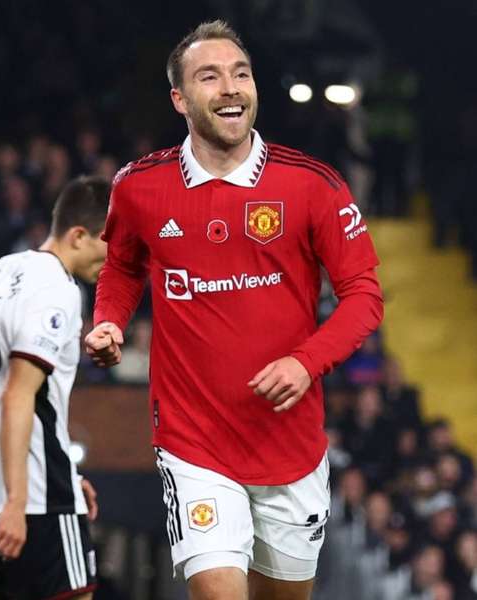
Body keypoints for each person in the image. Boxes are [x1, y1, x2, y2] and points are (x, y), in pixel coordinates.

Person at [84, 21, 384, 600]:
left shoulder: (311, 185)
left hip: (290, 444)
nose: (230, 87)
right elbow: (122, 266)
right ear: (180, 98)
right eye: (210, 76)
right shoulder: (139, 187)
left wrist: (306, 361)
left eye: (240, 74)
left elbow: (364, 295)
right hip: (193, 440)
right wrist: (108, 321)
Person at [0, 176, 110, 599]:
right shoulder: (59, 291)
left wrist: (63, 468)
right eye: (111, 242)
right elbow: (18, 394)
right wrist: (18, 497)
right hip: (32, 499)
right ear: (79, 236)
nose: (115, 256)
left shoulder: (0, 272)